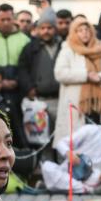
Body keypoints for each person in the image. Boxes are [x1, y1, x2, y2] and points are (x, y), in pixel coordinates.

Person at [53, 16, 101, 143]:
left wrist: (100, 77)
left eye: (87, 29)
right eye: (80, 30)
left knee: (97, 142)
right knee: (77, 143)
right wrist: (86, 75)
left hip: (98, 105)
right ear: (74, 33)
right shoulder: (67, 50)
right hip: (77, 104)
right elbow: (60, 73)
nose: (84, 33)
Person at [42, 109, 101, 194]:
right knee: (47, 167)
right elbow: (61, 143)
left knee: (96, 176)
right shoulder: (90, 130)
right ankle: (87, 190)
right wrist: (69, 153)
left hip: (91, 177)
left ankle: (60, 187)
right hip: (69, 172)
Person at [0, 3, 30, 146]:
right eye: (2, 19)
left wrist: (17, 81)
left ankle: (22, 156)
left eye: (8, 19)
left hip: (18, 89)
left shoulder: (24, 39)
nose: (6, 23)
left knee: (19, 126)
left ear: (13, 19)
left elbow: (27, 66)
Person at [17, 8, 61, 140]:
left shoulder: (64, 46)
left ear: (55, 28)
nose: (46, 31)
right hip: (39, 101)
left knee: (61, 137)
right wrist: (29, 88)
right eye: (43, 28)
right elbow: (22, 69)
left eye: (49, 28)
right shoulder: (30, 48)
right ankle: (44, 161)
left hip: (61, 100)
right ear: (38, 29)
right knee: (41, 137)